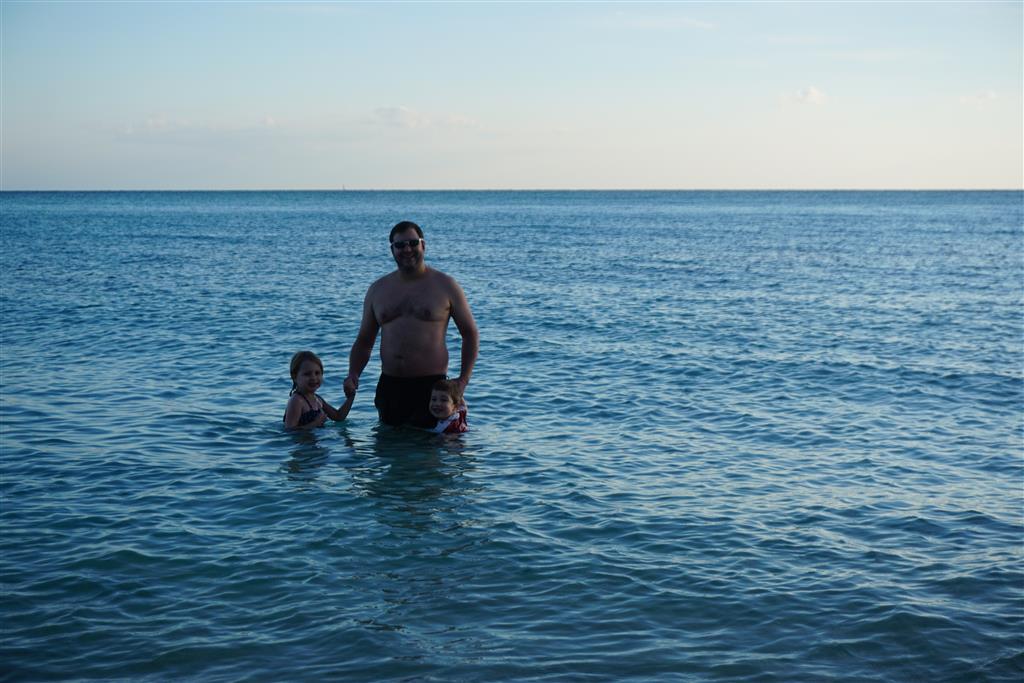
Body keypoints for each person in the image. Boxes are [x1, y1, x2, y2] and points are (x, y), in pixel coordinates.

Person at [344, 220, 479, 428]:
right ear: (392, 250)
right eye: (400, 245)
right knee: (389, 445)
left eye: (413, 243)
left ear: (423, 245)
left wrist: (463, 380)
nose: (407, 249)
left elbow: (470, 334)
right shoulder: (378, 290)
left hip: (431, 388)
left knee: (429, 448)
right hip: (390, 386)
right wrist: (353, 373)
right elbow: (364, 341)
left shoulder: (446, 286)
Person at [284, 351, 354, 430]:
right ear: (294, 377)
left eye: (317, 373)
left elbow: (338, 417)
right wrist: (315, 423)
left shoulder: (318, 399)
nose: (313, 378)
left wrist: (351, 397)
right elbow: (290, 430)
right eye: (307, 374)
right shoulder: (297, 401)